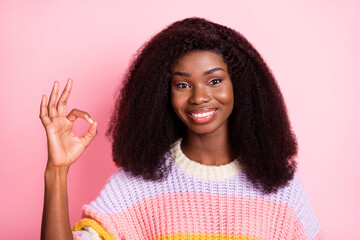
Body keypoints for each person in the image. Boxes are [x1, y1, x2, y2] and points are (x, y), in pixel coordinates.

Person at [40, 17, 322, 240]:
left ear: (240, 86)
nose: (199, 97)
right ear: (164, 93)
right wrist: (57, 170)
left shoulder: (280, 187)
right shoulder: (136, 186)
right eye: (183, 85)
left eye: (214, 81)